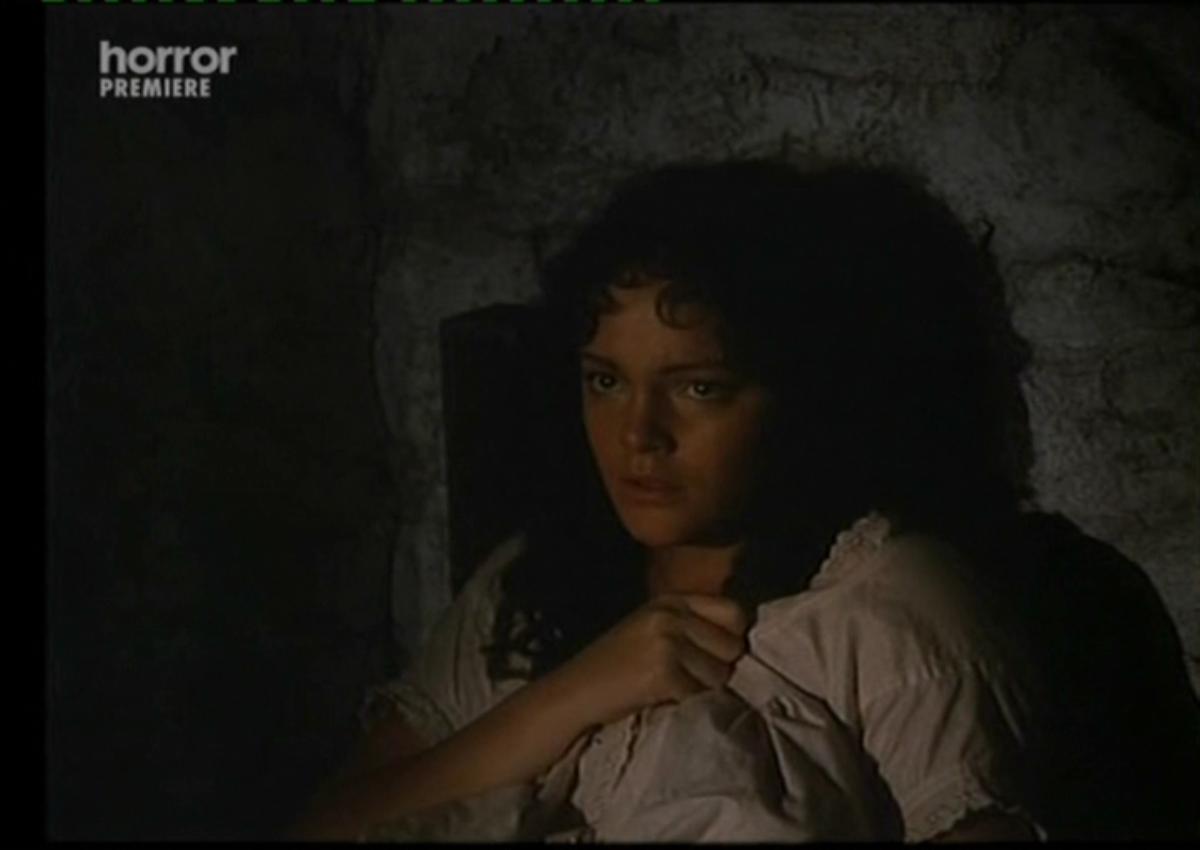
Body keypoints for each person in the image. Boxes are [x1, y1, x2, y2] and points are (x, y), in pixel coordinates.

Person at [290, 159, 1051, 841]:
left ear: (799, 398)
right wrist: (573, 695)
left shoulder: (887, 605)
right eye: (606, 382)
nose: (639, 435)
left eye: (698, 389)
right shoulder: (534, 582)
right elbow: (323, 828)